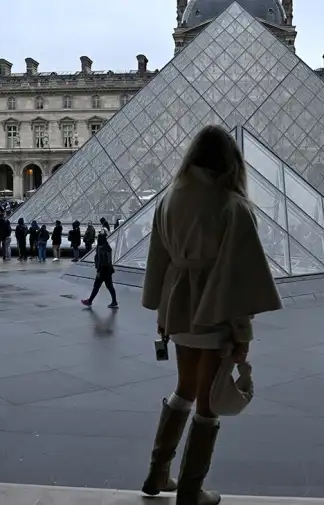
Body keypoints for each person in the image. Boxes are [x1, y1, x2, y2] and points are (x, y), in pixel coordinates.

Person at [140, 126, 282, 505]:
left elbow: (158, 259)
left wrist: (160, 311)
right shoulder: (231, 206)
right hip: (214, 310)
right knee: (208, 400)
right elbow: (238, 277)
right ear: (229, 162)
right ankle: (190, 489)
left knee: (184, 387)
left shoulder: (168, 198)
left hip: (178, 308)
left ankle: (157, 473)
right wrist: (243, 334)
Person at [81, 230, 118, 308]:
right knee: (109, 286)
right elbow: (107, 261)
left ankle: (89, 301)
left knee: (97, 286)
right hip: (108, 270)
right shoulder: (107, 247)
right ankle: (114, 301)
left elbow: (103, 261)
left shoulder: (102, 248)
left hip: (103, 271)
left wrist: (99, 271)